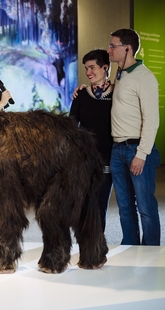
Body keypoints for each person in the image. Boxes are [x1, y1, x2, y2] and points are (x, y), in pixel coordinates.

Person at [107, 28, 161, 245]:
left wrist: (141, 154)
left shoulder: (145, 77)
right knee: (125, 208)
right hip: (117, 150)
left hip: (136, 150)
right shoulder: (120, 73)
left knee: (146, 207)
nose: (109, 50)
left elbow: (152, 119)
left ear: (127, 48)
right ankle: (130, 248)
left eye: (113, 46)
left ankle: (151, 254)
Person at [69, 49, 113, 232]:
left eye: (92, 67)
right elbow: (71, 127)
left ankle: (97, 247)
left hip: (109, 159)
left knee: (100, 205)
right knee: (84, 205)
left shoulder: (118, 94)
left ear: (105, 67)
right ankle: (85, 245)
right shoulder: (80, 95)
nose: (88, 72)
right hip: (85, 160)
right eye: (86, 68)